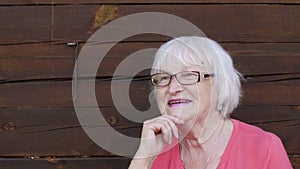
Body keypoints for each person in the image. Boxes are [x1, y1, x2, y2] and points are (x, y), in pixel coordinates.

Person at [128, 36, 293, 169]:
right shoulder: (154, 152)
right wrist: (144, 159)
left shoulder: (263, 147)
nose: (173, 88)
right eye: (163, 78)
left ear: (219, 84)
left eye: (189, 75)